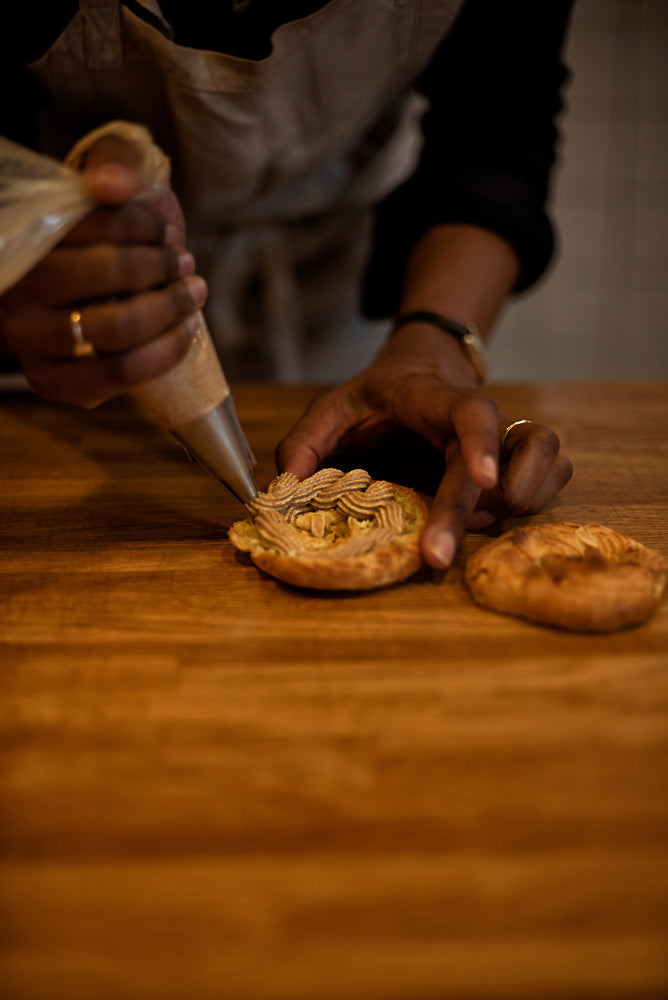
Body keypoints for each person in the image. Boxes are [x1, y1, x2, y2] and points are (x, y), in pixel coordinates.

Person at [0, 0, 574, 569]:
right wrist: (14, 264)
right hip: (67, 274)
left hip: (333, 277)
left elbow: (499, 127)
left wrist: (432, 349)